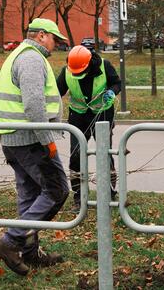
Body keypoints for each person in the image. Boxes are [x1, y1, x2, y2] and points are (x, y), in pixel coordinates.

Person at [0, 18, 70, 276]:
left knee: (30, 194)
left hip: (13, 138)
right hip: (30, 139)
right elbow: (34, 105)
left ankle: (29, 253)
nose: (56, 46)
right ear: (42, 35)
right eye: (55, 40)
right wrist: (48, 141)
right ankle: (11, 242)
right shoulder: (32, 58)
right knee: (57, 190)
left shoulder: (19, 55)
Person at [56, 45, 123, 210]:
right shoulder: (67, 71)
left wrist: (112, 92)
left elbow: (117, 83)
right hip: (78, 116)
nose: (77, 75)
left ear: (89, 64)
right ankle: (79, 196)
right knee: (76, 155)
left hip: (102, 114)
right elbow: (57, 92)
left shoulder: (104, 66)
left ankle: (109, 192)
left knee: (105, 153)